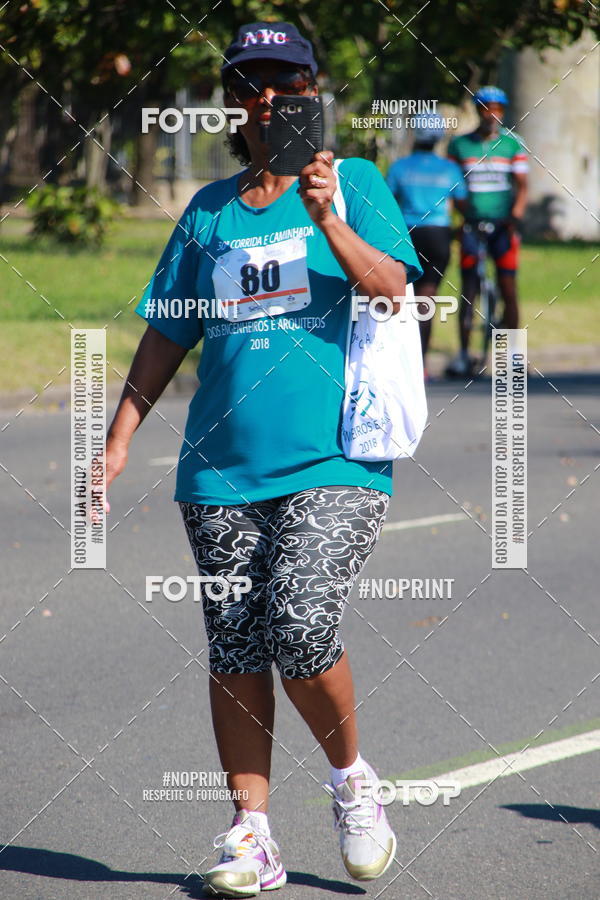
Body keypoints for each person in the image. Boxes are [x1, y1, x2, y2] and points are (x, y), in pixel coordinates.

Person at [105, 21, 422, 899]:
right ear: (233, 103)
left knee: (301, 623)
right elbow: (168, 331)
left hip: (335, 461)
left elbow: (393, 290)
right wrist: (119, 436)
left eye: (287, 82)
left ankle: (352, 782)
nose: (270, 97)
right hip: (219, 470)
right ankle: (253, 834)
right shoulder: (209, 211)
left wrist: (326, 219)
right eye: (251, 84)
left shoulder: (356, 183)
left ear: (313, 91)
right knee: (236, 647)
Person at [446, 86, 528, 376]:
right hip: (472, 224)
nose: (491, 115)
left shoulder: (513, 144)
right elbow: (453, 186)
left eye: (497, 109)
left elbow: (522, 187)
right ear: (477, 111)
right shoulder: (459, 145)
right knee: (468, 288)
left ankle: (515, 356)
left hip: (503, 225)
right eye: (485, 108)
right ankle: (464, 354)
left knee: (508, 287)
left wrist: (515, 216)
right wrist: (459, 216)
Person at [386, 113, 467, 371]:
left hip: (407, 234)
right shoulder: (450, 168)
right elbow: (463, 204)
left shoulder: (399, 167)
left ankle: (399, 363)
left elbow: (386, 204)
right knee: (426, 299)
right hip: (438, 235)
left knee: (400, 298)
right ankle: (420, 367)